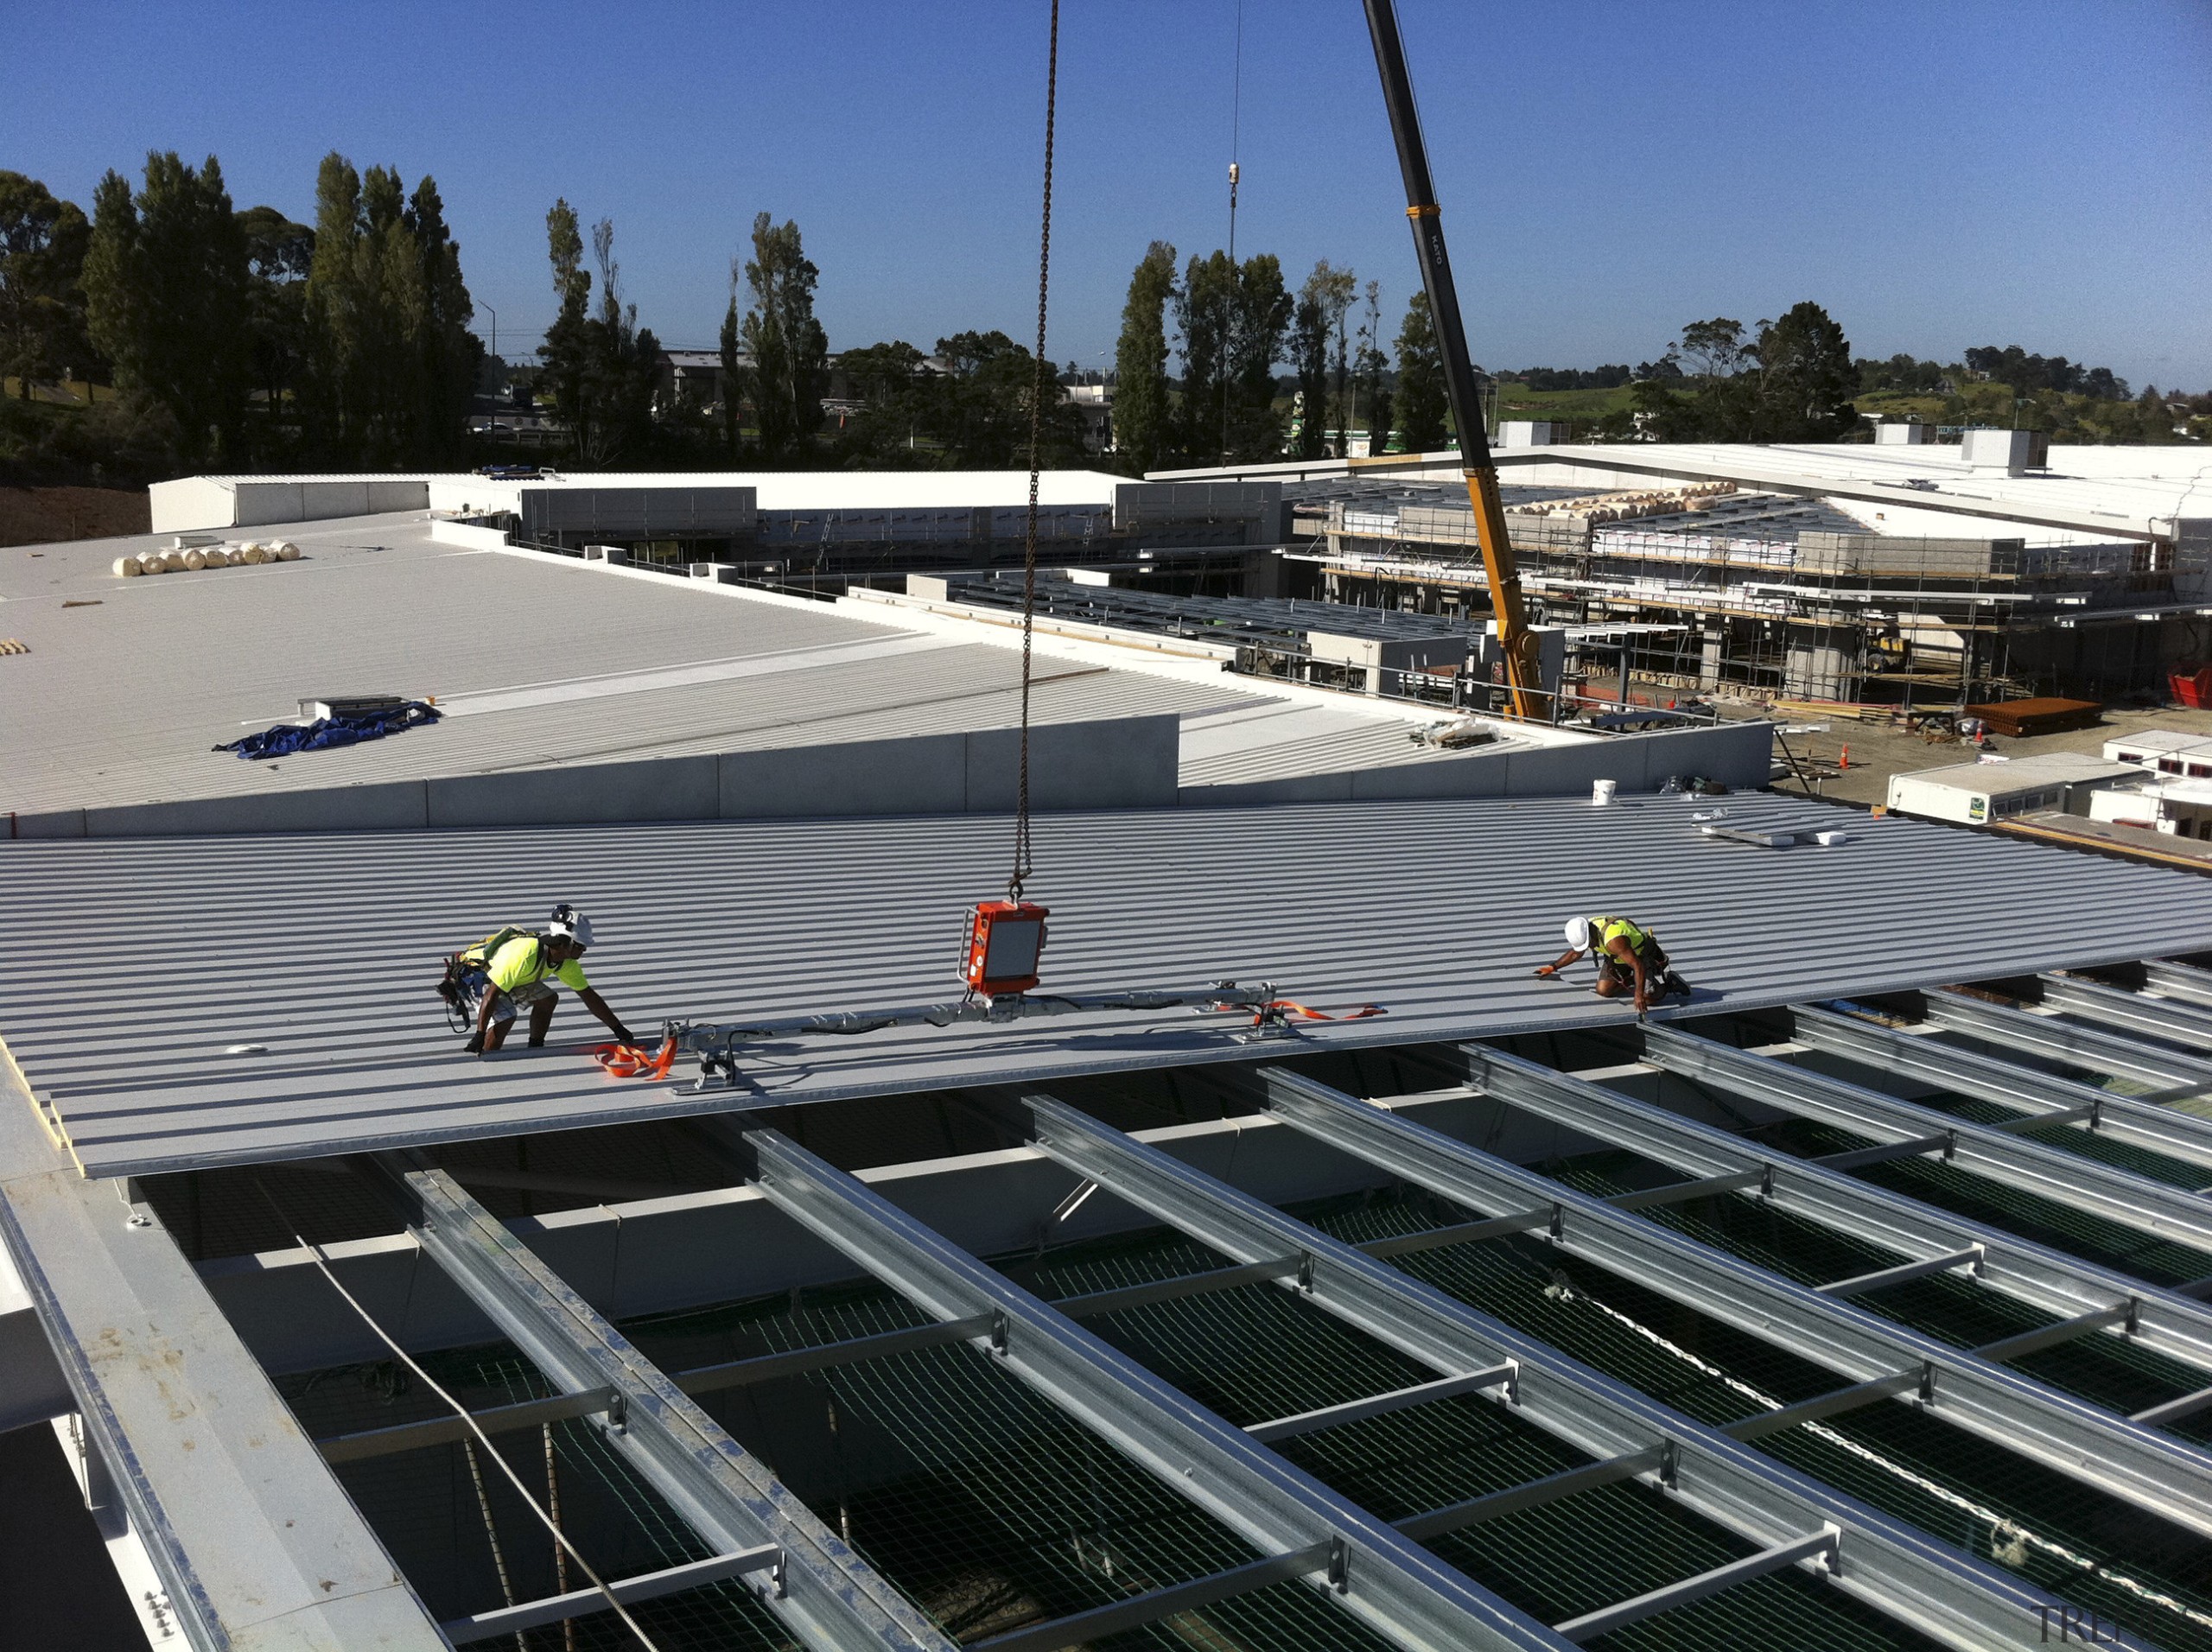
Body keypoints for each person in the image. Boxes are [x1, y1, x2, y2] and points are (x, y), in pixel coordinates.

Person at [459, 905, 639, 1056]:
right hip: (477, 974)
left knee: (549, 999)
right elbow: (492, 993)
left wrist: (618, 1029)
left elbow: (589, 996)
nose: (583, 950)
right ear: (562, 942)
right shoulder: (526, 954)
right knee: (506, 1017)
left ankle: (535, 1047)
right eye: (580, 945)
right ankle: (488, 1057)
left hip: (512, 978)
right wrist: (480, 1034)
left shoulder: (566, 963)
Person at [1534, 915, 1691, 1014]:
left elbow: (1638, 965)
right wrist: (1553, 967)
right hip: (1619, 958)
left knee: (1646, 997)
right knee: (1603, 990)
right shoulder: (1589, 931)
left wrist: (1637, 996)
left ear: (1590, 935)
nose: (1588, 947)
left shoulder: (1614, 940)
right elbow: (1576, 953)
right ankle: (1631, 979)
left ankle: (1670, 984)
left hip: (1641, 956)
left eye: (1588, 944)